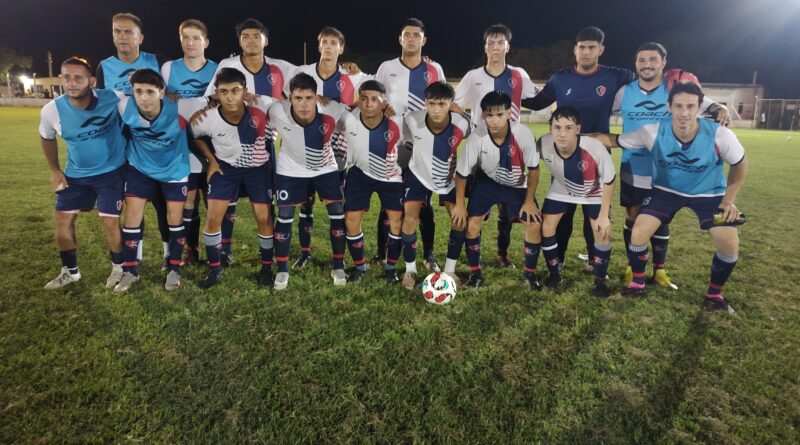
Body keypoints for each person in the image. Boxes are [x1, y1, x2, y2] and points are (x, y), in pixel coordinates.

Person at [596, 82, 747, 313]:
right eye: (678, 106)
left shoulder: (720, 135)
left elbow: (740, 165)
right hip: (666, 191)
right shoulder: (653, 131)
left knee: (729, 243)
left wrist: (728, 201)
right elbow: (614, 140)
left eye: (690, 106)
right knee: (638, 232)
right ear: (669, 107)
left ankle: (714, 295)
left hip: (709, 194)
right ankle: (637, 283)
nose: (684, 112)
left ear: (699, 108)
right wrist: (578, 137)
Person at [613, 41, 730, 289]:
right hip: (634, 166)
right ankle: (632, 266)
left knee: (661, 218)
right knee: (633, 217)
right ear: (635, 63)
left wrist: (720, 108)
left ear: (663, 63)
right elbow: (601, 109)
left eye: (653, 60)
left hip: (668, 169)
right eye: (642, 60)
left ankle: (660, 270)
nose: (647, 65)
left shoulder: (674, 89)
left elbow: (707, 103)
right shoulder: (624, 93)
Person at [522, 26, 633, 273]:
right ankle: (558, 259)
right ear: (575, 50)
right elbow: (538, 102)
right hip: (564, 154)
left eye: (591, 47)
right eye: (582, 47)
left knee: (594, 212)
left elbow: (648, 81)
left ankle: (595, 260)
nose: (586, 52)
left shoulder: (616, 76)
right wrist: (510, 93)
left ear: (601, 50)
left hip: (597, 155)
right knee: (564, 211)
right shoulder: (560, 78)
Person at [204, 18, 297, 266]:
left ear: (266, 40)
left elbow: (309, 81)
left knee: (265, 203)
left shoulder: (281, 68)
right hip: (230, 141)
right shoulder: (228, 65)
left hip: (264, 143)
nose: (251, 40)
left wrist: (351, 71)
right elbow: (211, 97)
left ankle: (268, 252)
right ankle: (225, 249)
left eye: (256, 36)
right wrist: (241, 96)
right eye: (245, 36)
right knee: (229, 200)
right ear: (239, 41)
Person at [453, 23, 541, 268]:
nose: (495, 46)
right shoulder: (473, 76)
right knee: (476, 210)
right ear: (485, 47)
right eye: (490, 42)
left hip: (512, 150)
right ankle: (472, 259)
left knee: (506, 210)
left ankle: (503, 254)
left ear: (507, 47)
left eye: (500, 42)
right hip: (480, 151)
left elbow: (538, 100)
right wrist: (469, 123)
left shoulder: (518, 75)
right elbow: (452, 103)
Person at [113, 69, 206, 292]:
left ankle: (174, 268)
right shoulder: (124, 105)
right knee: (132, 217)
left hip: (174, 169)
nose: (144, 97)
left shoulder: (182, 107)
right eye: (138, 91)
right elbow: (97, 95)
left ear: (162, 92)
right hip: (139, 167)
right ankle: (130, 271)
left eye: (150, 92)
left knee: (175, 218)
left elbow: (213, 99)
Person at [39, 57, 126, 289]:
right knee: (62, 221)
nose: (72, 83)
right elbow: (46, 137)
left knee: (110, 222)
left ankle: (119, 268)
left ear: (92, 81)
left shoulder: (113, 97)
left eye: (78, 78)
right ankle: (70, 272)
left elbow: (145, 103)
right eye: (66, 77)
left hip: (111, 172)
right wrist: (55, 170)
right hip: (75, 174)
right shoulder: (51, 110)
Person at [284, 26, 367, 269]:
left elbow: (374, 91)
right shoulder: (302, 72)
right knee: (305, 201)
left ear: (341, 48)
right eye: (325, 42)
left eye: (334, 43)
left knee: (336, 203)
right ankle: (305, 253)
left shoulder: (353, 76)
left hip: (338, 148)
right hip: (305, 143)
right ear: (319, 46)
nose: (329, 47)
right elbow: (287, 98)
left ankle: (337, 257)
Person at [96, 12, 171, 268]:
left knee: (162, 203)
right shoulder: (104, 67)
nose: (122, 36)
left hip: (155, 144)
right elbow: (102, 106)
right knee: (133, 204)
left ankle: (168, 255)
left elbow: (170, 98)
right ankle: (135, 257)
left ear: (140, 37)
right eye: (117, 31)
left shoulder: (158, 62)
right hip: (122, 147)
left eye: (128, 32)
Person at [190, 67, 277, 288]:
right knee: (212, 218)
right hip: (225, 169)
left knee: (264, 218)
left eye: (235, 91)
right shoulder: (207, 118)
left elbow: (289, 107)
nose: (230, 97)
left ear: (244, 91)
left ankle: (267, 268)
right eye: (224, 92)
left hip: (257, 169)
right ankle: (214, 269)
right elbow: (196, 136)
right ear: (217, 93)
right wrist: (211, 160)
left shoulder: (262, 107)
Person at [372, 18, 445, 272]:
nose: (411, 39)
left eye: (416, 35)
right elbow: (374, 97)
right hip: (391, 145)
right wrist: (382, 106)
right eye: (407, 35)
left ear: (424, 40)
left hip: (423, 147)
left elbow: (442, 102)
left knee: (423, 203)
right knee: (389, 202)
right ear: (400, 39)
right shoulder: (386, 68)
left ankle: (429, 255)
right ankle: (382, 253)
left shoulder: (434, 69)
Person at [450, 91, 542, 288]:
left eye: (499, 114)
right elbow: (462, 174)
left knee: (534, 224)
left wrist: (528, 202)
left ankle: (530, 275)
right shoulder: (477, 137)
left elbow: (534, 170)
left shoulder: (523, 134)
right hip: (487, 183)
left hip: (516, 185)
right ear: (483, 115)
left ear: (509, 113)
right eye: (489, 115)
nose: (494, 120)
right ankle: (475, 274)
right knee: (472, 224)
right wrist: (459, 204)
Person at [269, 73, 351, 290]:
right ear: (289, 98)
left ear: (316, 97)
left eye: (308, 98)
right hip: (290, 169)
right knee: (285, 215)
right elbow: (253, 106)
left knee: (336, 211)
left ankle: (338, 265)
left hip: (325, 168)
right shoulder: (277, 110)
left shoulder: (333, 110)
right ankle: (282, 270)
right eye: (298, 98)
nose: (303, 104)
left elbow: (358, 122)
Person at [538, 107, 617, 297]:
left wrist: (604, 214)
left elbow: (610, 180)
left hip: (593, 191)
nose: (562, 133)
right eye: (557, 127)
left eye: (568, 128)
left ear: (578, 129)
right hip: (562, 188)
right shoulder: (543, 144)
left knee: (601, 231)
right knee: (546, 226)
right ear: (550, 128)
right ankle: (554, 273)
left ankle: (600, 280)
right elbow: (527, 161)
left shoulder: (594, 147)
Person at [399, 81, 470, 290]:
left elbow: (477, 131)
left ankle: (450, 270)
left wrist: (463, 112)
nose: (436, 109)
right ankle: (410, 270)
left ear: (451, 104)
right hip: (418, 175)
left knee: (459, 221)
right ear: (425, 103)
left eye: (442, 104)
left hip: (447, 180)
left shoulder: (461, 123)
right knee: (409, 220)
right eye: (431, 104)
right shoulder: (412, 119)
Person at [161, 19, 218, 266]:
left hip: (213, 144)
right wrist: (167, 96)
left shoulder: (217, 69)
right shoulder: (168, 69)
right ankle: (190, 251)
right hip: (182, 145)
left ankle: (218, 251)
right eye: (185, 37)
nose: (190, 42)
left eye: (196, 38)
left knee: (213, 201)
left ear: (206, 42)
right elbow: (158, 99)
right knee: (188, 201)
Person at [340, 80, 405, 283]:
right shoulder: (348, 119)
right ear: (358, 100)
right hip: (359, 174)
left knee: (397, 222)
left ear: (384, 102)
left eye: (375, 99)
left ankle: (390, 268)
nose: (369, 104)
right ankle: (360, 267)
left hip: (390, 178)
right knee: (351, 220)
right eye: (364, 98)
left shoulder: (398, 121)